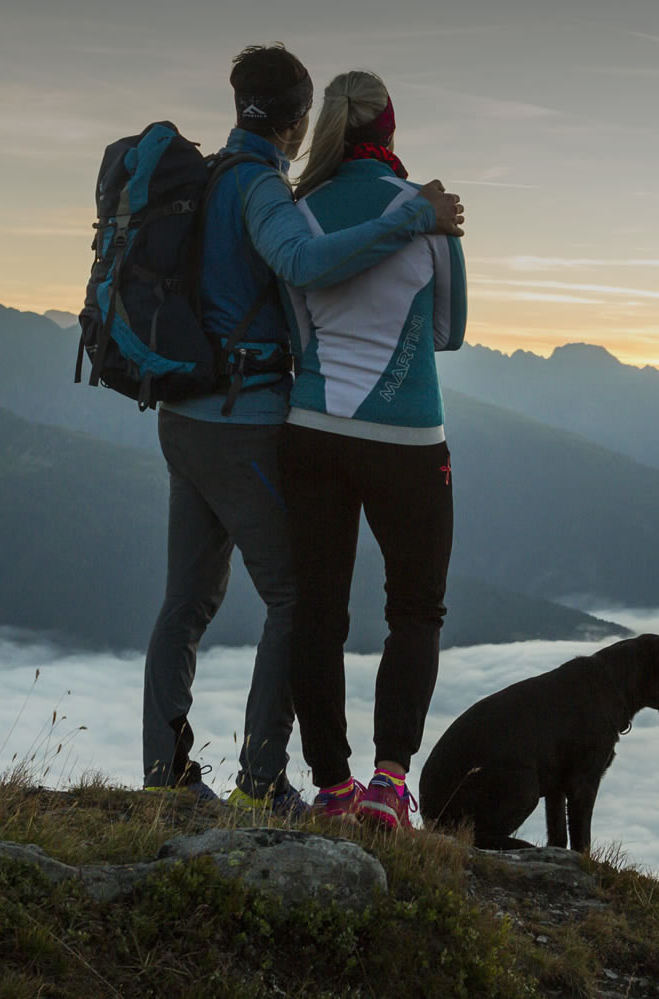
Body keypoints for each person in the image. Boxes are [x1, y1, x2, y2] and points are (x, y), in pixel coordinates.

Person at [140, 45, 466, 815]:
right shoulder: (260, 190)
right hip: (242, 419)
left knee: (184, 602)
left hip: (182, 416)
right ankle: (261, 778)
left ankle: (163, 774)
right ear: (292, 123)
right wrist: (415, 216)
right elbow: (305, 265)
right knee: (296, 602)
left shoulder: (214, 175)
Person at [277, 70, 467, 828]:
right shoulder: (426, 211)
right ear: (390, 128)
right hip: (411, 442)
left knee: (317, 614)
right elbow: (449, 332)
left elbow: (299, 338)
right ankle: (389, 784)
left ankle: (330, 787)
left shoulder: (300, 215)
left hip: (314, 433)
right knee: (414, 610)